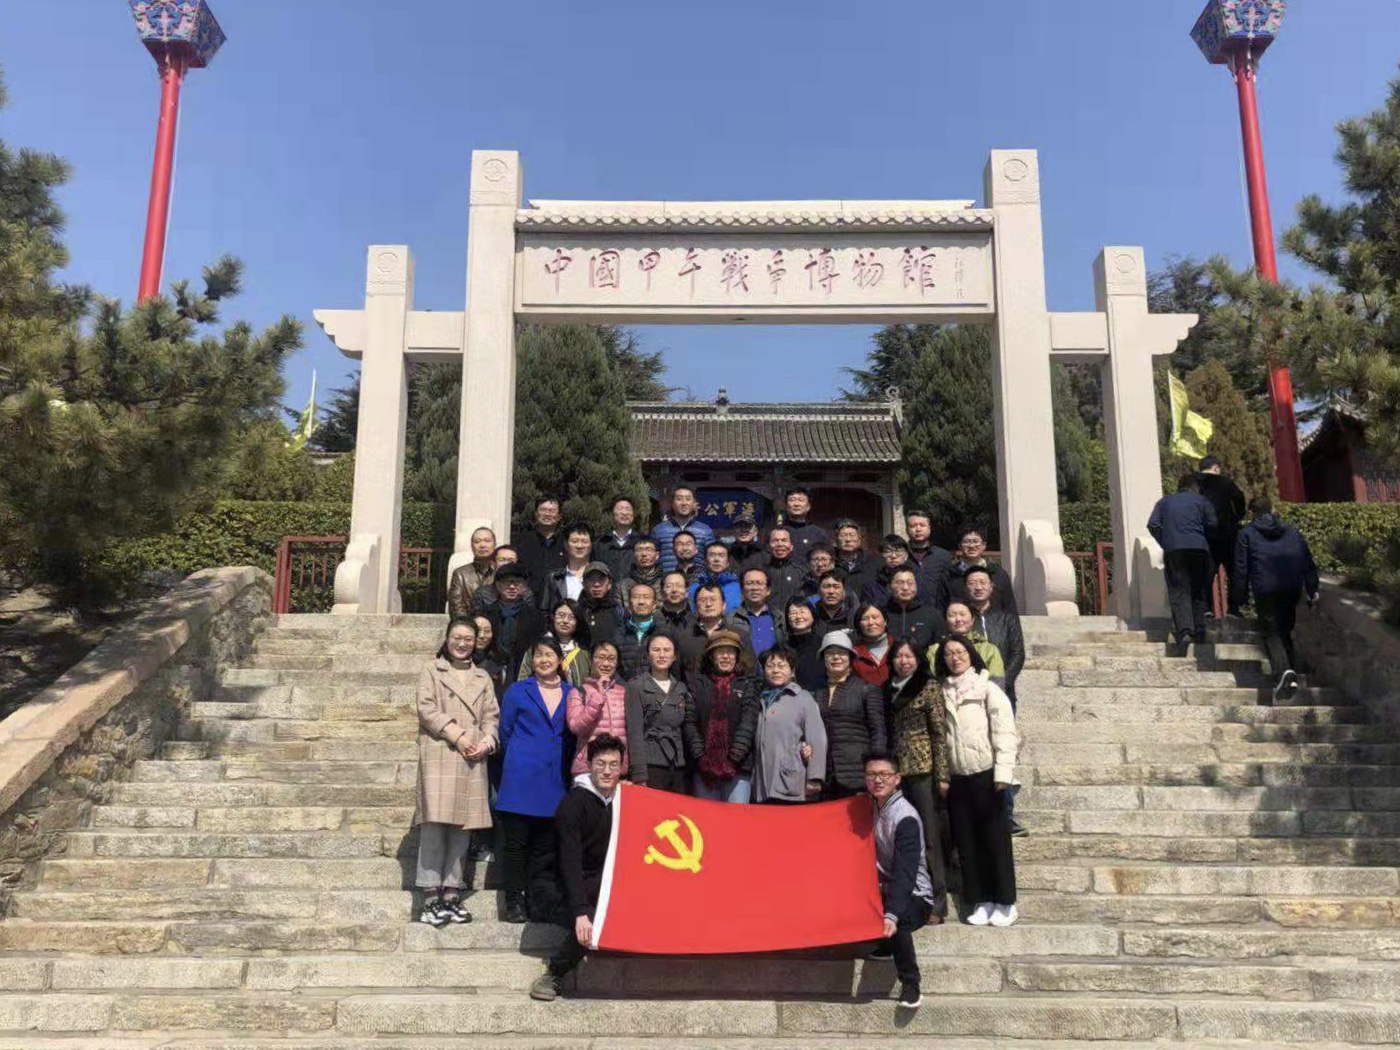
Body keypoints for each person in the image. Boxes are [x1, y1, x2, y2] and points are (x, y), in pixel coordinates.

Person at [414, 618, 498, 927]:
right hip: (442, 753)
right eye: (457, 637)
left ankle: (451, 892)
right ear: (447, 639)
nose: (462, 644)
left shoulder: (482, 677)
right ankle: (430, 896)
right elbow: (426, 709)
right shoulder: (432, 670)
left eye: (468, 639)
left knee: (463, 829)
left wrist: (488, 741)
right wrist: (458, 736)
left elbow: (491, 716)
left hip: (473, 757)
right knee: (435, 827)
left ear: (476, 642)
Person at [529, 733, 624, 1002]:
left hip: (597, 880)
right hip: (559, 886)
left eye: (614, 765)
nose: (607, 771)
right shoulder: (573, 804)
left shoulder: (621, 800)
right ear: (589, 764)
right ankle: (553, 974)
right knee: (595, 919)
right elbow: (569, 862)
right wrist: (581, 911)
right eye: (601, 763)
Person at [936, 634, 1019, 927]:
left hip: (987, 774)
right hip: (958, 778)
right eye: (949, 654)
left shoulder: (987, 687)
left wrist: (1003, 772)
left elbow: (1004, 731)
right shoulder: (941, 691)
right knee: (967, 844)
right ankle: (980, 900)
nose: (955, 657)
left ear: (971, 654)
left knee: (995, 840)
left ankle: (1005, 901)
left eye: (960, 652)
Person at [498, 638, 577, 923]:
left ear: (559, 659)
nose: (543, 660)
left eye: (549, 654)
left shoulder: (571, 693)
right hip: (521, 778)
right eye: (538, 655)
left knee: (545, 848)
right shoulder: (518, 690)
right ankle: (513, 901)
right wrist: (522, 755)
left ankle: (539, 902)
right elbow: (505, 731)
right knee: (516, 845)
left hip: (554, 780)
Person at [863, 750, 938, 1011]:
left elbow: (906, 873)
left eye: (884, 774)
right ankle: (885, 945)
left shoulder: (905, 817)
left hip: (915, 894)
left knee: (899, 918)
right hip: (884, 887)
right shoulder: (870, 805)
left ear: (897, 779)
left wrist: (892, 913)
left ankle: (911, 983)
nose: (878, 780)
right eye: (872, 774)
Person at [885, 641, 949, 920]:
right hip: (896, 773)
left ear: (918, 659)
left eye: (909, 655)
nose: (904, 661)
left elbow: (939, 733)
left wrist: (942, 775)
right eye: (898, 656)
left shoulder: (928, 686)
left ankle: (938, 903)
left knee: (930, 838)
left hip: (923, 769)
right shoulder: (887, 688)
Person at [1233, 497, 1320, 702]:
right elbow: (1307, 561)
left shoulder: (1246, 534)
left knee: (1270, 631)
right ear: (1272, 509)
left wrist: (1240, 596)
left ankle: (1283, 672)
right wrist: (1312, 588)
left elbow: (1241, 568)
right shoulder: (1292, 531)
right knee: (1284, 629)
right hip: (1291, 587)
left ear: (1252, 513)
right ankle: (1291, 675)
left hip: (1265, 588)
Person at [684, 630, 762, 802]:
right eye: (720, 652)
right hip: (703, 770)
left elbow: (748, 724)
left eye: (730, 652)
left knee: (736, 818)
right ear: (711, 656)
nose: (726, 656)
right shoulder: (697, 684)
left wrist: (733, 760)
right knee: (705, 818)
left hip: (738, 770)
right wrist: (701, 758)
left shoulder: (748, 684)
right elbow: (690, 723)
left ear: (737, 656)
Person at [1147, 475, 1219, 654]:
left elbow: (1153, 524)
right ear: (1195, 488)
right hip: (1199, 550)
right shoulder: (1202, 501)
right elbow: (1213, 524)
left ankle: (1185, 631)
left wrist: (1166, 541)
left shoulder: (1164, 502)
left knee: (1179, 591)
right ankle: (1200, 629)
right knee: (1199, 590)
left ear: (1179, 487)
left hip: (1175, 551)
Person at [750, 646, 828, 804]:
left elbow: (817, 739)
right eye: (770, 666)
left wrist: (815, 777)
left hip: (790, 779)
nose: (775, 670)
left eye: (781, 666)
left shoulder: (803, 698)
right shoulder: (758, 698)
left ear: (792, 671)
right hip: (760, 783)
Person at [816, 631, 887, 800]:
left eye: (841, 653)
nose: (836, 657)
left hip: (858, 773)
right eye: (830, 653)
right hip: (826, 775)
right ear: (824, 659)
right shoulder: (817, 693)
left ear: (850, 657)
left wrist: (876, 769)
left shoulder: (867, 689)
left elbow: (878, 730)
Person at [623, 633, 693, 793]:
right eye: (656, 650)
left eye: (667, 650)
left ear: (674, 656)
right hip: (651, 764)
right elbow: (634, 733)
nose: (662, 655)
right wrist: (639, 774)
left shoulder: (681, 688)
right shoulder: (636, 687)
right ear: (648, 655)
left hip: (677, 765)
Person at [567, 641, 630, 777]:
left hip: (617, 769)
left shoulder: (624, 692)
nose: (606, 664)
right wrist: (597, 699)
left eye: (611, 659)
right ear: (591, 660)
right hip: (587, 769)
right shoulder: (578, 692)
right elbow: (576, 727)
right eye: (600, 658)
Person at [1197, 455, 1248, 615]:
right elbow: (1240, 499)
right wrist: (1237, 517)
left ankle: (1206, 608)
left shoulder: (1194, 483)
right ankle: (1234, 608)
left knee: (1206, 571)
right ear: (1216, 468)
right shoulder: (1225, 482)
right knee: (1233, 570)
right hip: (1226, 532)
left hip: (1204, 533)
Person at [478, 564, 547, 674]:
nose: (512, 587)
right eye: (507, 582)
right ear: (498, 585)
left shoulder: (536, 617)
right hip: (490, 669)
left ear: (525, 586)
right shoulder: (486, 614)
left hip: (523, 670)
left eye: (517, 583)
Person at [678, 582, 753, 681]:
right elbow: (677, 674)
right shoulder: (684, 638)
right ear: (695, 607)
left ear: (724, 605)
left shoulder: (739, 635)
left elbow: (751, 672)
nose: (708, 604)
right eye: (703, 600)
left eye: (713, 599)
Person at [940, 528, 1018, 615]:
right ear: (959, 546)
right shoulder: (949, 575)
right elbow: (941, 607)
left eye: (975, 541)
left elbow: (1010, 607)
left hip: (994, 622)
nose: (971, 545)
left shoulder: (998, 574)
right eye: (966, 541)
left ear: (984, 545)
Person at [518, 600, 592, 688]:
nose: (565, 621)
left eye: (571, 617)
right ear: (553, 617)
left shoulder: (584, 653)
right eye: (561, 615)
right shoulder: (538, 647)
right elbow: (523, 677)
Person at [935, 601, 1005, 684]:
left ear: (972, 619)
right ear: (945, 621)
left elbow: (997, 682)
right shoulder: (934, 650)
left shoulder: (989, 649)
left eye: (962, 614)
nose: (958, 619)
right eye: (952, 615)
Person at [863, 534, 936, 609]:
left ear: (906, 556)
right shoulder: (873, 582)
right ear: (881, 555)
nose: (893, 556)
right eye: (888, 552)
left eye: (898, 551)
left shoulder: (917, 579)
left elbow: (927, 606)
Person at [652, 486, 716, 573]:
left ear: (694, 504)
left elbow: (712, 558)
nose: (684, 503)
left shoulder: (705, 530)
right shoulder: (659, 530)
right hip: (667, 579)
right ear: (672, 504)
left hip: (697, 579)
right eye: (679, 499)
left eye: (688, 499)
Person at [881, 566, 941, 652]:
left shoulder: (932, 615)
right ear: (890, 586)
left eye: (910, 583)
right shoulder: (881, 614)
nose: (905, 588)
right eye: (900, 583)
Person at [514, 496, 567, 592]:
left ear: (559, 516)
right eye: (543, 510)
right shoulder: (520, 541)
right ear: (536, 514)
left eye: (552, 511)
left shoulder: (567, 543)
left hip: (559, 597)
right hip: (527, 597)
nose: (547, 514)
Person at [540, 524, 596, 613]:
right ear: (566, 544)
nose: (579, 546)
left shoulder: (601, 577)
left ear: (591, 545)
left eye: (585, 541)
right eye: (574, 541)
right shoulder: (553, 578)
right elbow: (544, 611)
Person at [732, 567, 785, 656]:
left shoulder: (780, 618)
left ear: (768, 590)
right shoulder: (731, 618)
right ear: (742, 590)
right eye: (749, 583)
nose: (755, 588)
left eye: (759, 583)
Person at [447, 526, 498, 619]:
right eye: (477, 541)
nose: (482, 545)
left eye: (487, 541)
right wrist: (472, 624)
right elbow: (456, 608)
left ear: (495, 544)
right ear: (471, 546)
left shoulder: (501, 572)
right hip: (468, 625)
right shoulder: (460, 574)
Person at [616, 582, 662, 682]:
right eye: (636, 597)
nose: (641, 602)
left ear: (654, 605)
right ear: (629, 604)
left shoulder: (664, 633)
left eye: (646, 597)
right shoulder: (618, 634)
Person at [905, 510, 953, 600]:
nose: (918, 529)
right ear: (907, 530)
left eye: (922, 525)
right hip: (907, 607)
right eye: (913, 526)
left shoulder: (943, 556)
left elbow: (949, 587)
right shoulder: (901, 556)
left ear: (929, 528)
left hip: (936, 608)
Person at [783, 596, 826, 691]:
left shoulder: (824, 645)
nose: (798, 617)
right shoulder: (782, 648)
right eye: (793, 613)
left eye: (802, 612)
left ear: (813, 615)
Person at [577, 562, 625, 648]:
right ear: (584, 584)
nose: (597, 584)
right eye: (591, 580)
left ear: (609, 584)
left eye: (601, 579)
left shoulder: (620, 612)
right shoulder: (577, 611)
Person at [688, 541, 742, 614]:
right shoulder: (695, 588)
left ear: (728, 562)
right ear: (705, 561)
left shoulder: (739, 588)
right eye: (712, 555)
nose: (716, 559)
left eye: (721, 555)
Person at [595, 495, 640, 581]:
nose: (624, 513)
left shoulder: (642, 541)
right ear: (612, 514)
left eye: (628, 509)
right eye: (620, 509)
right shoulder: (601, 543)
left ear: (633, 515)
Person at [762, 525, 807, 611]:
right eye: (775, 541)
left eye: (784, 540)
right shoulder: (760, 572)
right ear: (768, 546)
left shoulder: (802, 573)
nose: (780, 544)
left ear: (791, 546)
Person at [851, 603, 894, 689]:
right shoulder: (852, 654)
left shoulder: (899, 648)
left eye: (875, 617)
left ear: (885, 621)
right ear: (858, 624)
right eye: (865, 619)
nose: (870, 622)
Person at [471, 614, 511, 700]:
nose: (482, 635)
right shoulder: (457, 661)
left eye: (487, 631)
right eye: (477, 630)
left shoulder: (501, 662)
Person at [834, 519, 877, 597]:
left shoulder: (874, 563)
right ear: (836, 540)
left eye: (852, 535)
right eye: (843, 535)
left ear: (859, 540)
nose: (848, 539)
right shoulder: (828, 563)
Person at [781, 487, 830, 555]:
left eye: (801, 500)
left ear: (808, 507)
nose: (796, 504)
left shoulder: (819, 534)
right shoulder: (777, 532)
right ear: (786, 506)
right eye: (792, 500)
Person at [619, 537, 663, 607]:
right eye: (639, 550)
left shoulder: (665, 583)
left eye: (648, 549)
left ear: (657, 555)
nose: (644, 554)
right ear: (633, 555)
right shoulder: (623, 585)